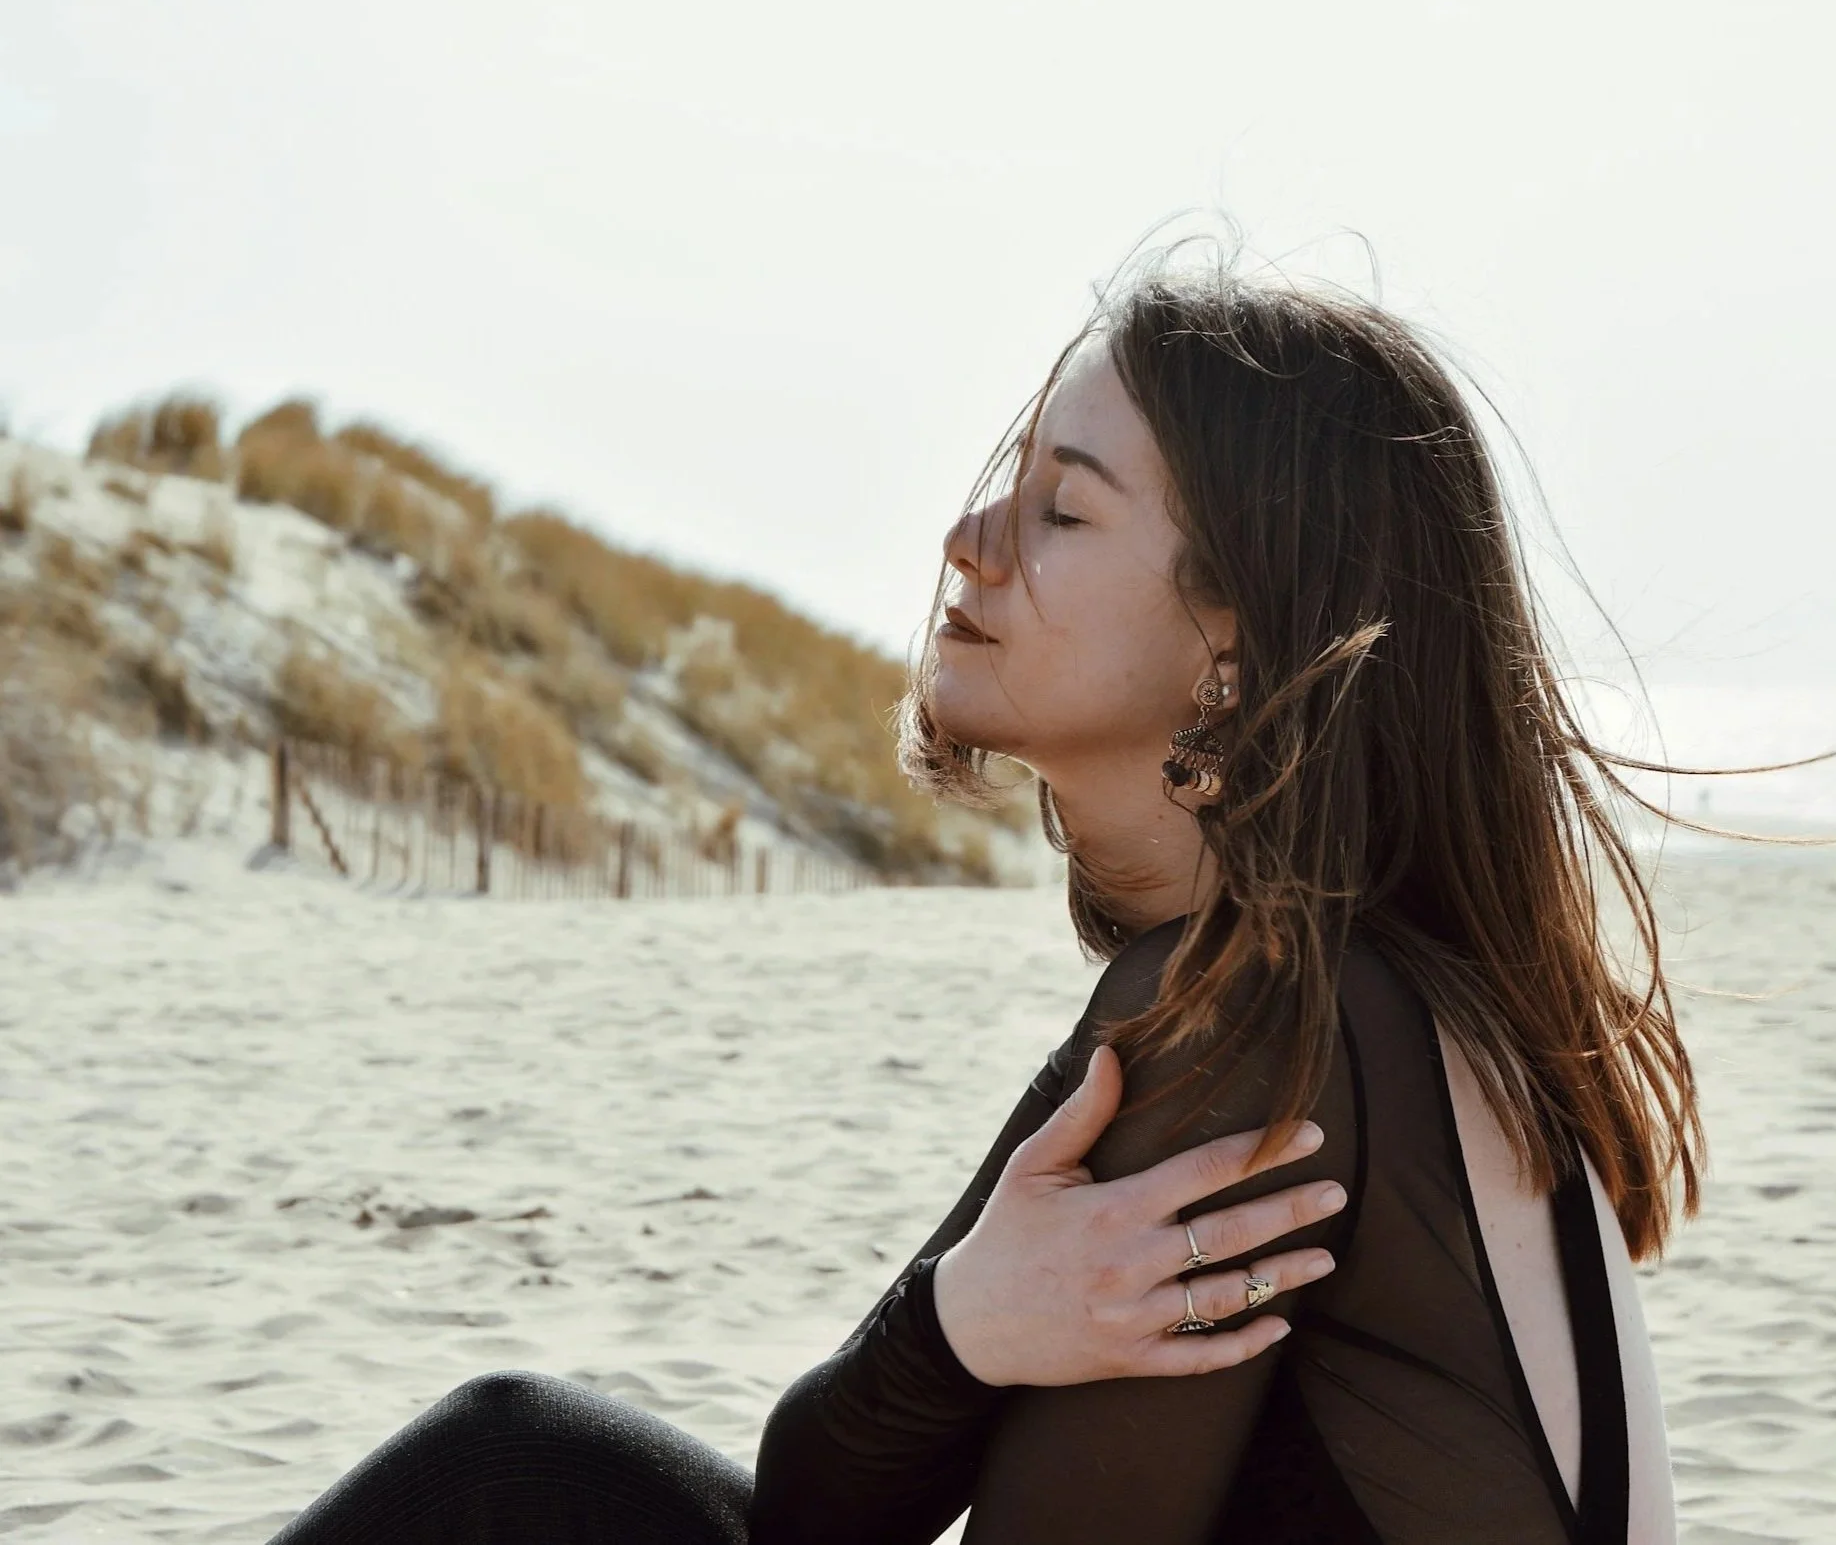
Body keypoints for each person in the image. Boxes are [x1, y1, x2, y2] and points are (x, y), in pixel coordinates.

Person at [267, 260, 1702, 1544]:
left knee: (505, 1480)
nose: (967, 535)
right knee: (531, 1463)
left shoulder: (1260, 1012)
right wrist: (961, 1326)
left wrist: (957, 1334)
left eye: (1062, 507)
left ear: (1235, 642)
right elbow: (825, 1493)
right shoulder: (1380, 998)